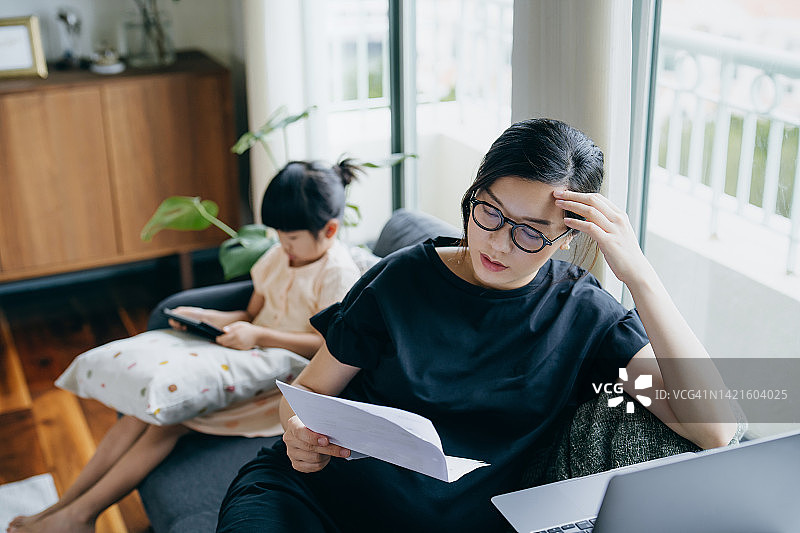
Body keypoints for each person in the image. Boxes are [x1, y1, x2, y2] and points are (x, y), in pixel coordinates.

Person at [215, 118, 738, 533]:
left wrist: (641, 277)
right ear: (474, 194)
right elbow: (307, 391)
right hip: (313, 499)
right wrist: (297, 433)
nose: (499, 243)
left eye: (531, 233)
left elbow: (713, 429)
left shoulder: (583, 317)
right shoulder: (403, 280)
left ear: (568, 238)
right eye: (489, 212)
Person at [8, 159, 363, 533]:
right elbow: (252, 310)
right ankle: (62, 508)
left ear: (329, 230)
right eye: (277, 234)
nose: (282, 245)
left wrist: (259, 336)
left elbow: (326, 348)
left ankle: (79, 517)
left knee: (164, 424)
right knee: (138, 413)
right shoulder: (279, 256)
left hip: (280, 382)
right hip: (244, 354)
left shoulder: (337, 274)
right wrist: (208, 317)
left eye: (290, 238)